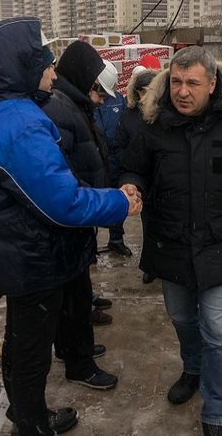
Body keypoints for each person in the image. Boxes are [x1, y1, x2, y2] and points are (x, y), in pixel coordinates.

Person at [0, 17, 141, 436]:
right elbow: (62, 203)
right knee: (31, 352)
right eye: (45, 66)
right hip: (30, 256)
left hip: (19, 250)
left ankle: (26, 416)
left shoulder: (4, 111)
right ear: (24, 67)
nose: (53, 74)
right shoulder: (21, 125)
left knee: (24, 341)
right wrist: (119, 202)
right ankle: (33, 426)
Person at [120, 46, 222, 436]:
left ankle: (216, 410)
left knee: (218, 332)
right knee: (182, 317)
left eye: (192, 83)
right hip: (170, 242)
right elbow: (133, 167)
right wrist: (131, 184)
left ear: (212, 83)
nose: (182, 91)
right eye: (176, 82)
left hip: (221, 242)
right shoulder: (154, 123)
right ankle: (192, 367)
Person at [41, 40, 120, 390]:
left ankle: (70, 349)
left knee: (73, 292)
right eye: (98, 91)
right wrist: (101, 200)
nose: (101, 99)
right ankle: (80, 363)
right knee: (74, 296)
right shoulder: (61, 108)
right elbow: (66, 172)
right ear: (84, 78)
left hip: (77, 217)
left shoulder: (72, 104)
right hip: (70, 220)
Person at [114, 69, 158, 284]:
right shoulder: (128, 117)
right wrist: (130, 161)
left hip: (165, 177)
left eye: (151, 91)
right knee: (148, 225)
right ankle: (150, 265)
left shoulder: (164, 114)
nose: (146, 96)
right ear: (136, 92)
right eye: (143, 91)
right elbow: (118, 146)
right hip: (140, 178)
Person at [94, 60, 134, 258]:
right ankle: (90, 245)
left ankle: (116, 239)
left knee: (119, 199)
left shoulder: (118, 99)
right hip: (101, 160)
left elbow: (125, 124)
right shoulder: (93, 101)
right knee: (97, 202)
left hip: (117, 159)